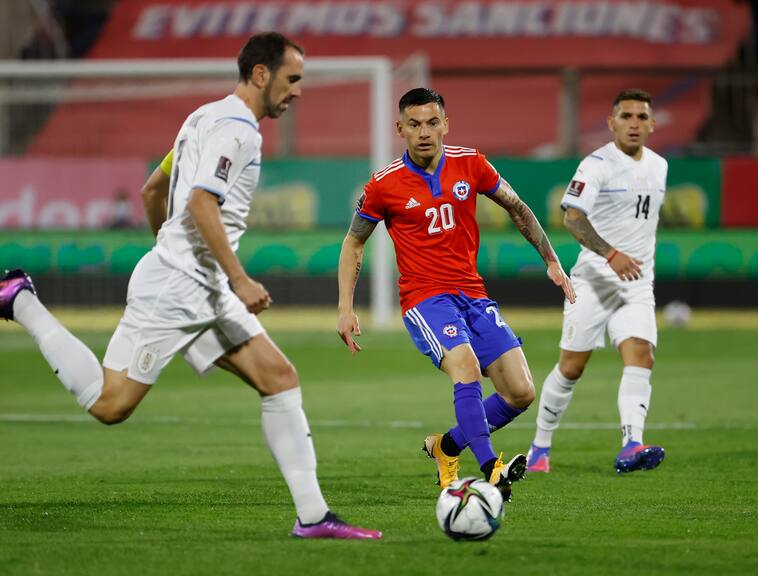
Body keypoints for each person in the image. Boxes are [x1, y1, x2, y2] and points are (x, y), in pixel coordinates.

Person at [0, 32, 381, 540]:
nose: (298, 91)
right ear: (261, 74)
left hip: (199, 284)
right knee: (110, 405)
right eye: (293, 79)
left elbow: (153, 189)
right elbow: (201, 201)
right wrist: (233, 277)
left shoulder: (203, 117)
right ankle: (20, 300)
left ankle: (313, 517)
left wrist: (174, 250)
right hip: (178, 291)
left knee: (279, 378)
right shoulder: (237, 132)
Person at [336, 88, 575, 501]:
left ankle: (446, 447)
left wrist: (551, 259)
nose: (424, 132)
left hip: (473, 295)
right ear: (400, 129)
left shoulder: (471, 163)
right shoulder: (383, 184)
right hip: (425, 299)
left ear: (446, 123)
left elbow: (517, 206)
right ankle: (490, 469)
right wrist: (345, 307)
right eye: (414, 124)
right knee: (464, 367)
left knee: (520, 392)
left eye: (432, 122)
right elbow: (354, 243)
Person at [527, 89, 667, 475]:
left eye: (642, 117)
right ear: (612, 123)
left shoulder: (659, 167)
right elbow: (572, 217)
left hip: (636, 284)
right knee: (571, 367)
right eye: (626, 117)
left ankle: (631, 444)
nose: (634, 124)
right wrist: (610, 253)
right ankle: (540, 446)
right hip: (592, 281)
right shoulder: (597, 165)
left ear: (652, 124)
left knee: (641, 355)